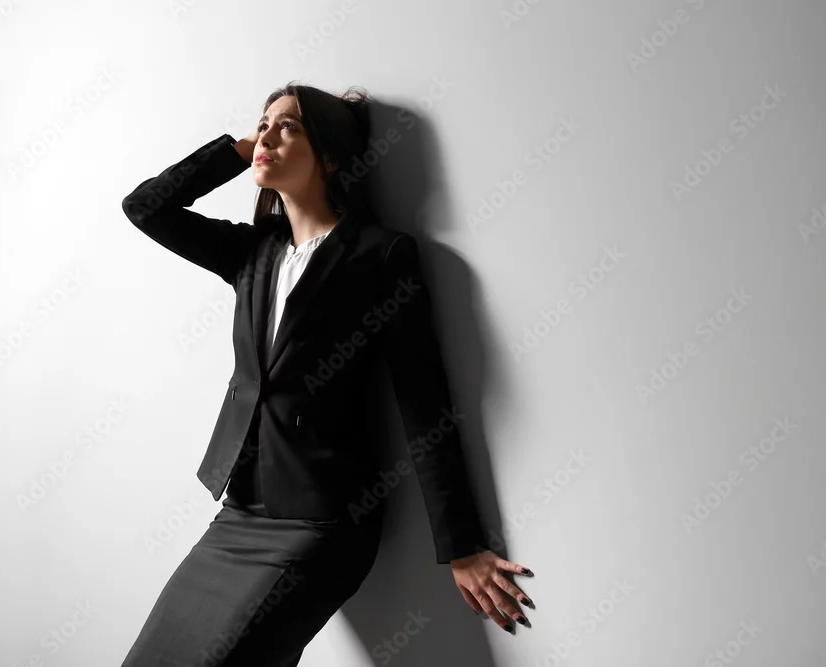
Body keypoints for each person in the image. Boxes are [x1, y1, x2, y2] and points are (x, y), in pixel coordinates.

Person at [119, 82, 535, 666]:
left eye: (289, 126)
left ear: (333, 158)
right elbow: (145, 208)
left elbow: (424, 403)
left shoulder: (380, 255)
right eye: (263, 123)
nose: (267, 134)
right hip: (239, 512)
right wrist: (239, 150)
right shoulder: (253, 252)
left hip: (320, 522)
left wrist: (462, 545)